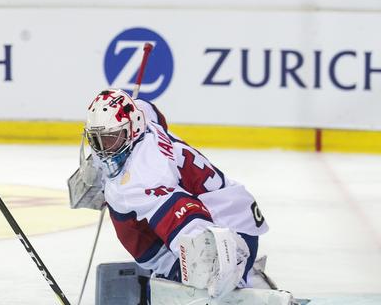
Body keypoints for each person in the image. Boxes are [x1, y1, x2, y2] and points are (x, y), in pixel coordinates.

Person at [80, 88, 271, 301]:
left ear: (132, 129)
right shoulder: (141, 115)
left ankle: (241, 275)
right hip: (232, 207)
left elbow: (186, 219)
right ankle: (245, 274)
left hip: (229, 231)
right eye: (97, 139)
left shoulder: (144, 175)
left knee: (173, 292)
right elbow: (152, 111)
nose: (103, 149)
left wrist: (214, 269)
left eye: (110, 139)